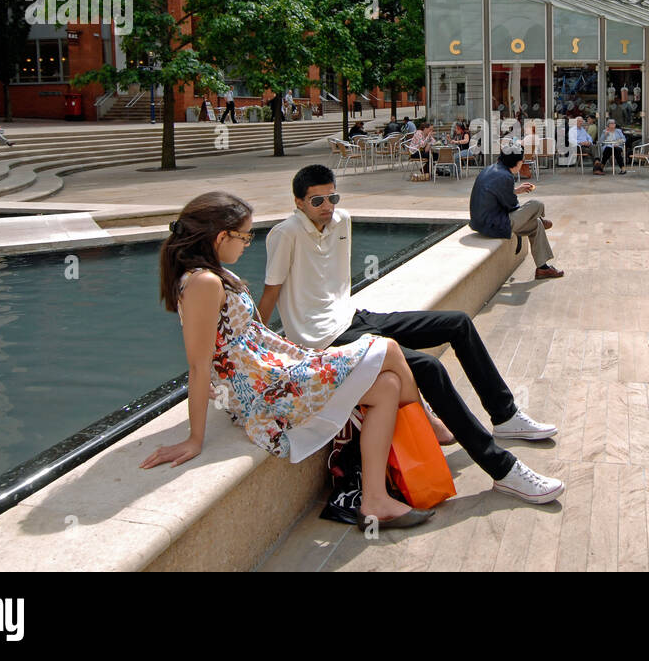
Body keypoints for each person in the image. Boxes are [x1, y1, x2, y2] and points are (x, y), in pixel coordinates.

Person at [257, 166, 563, 505]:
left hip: (353, 318)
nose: (327, 206)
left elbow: (335, 283)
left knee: (458, 322)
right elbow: (272, 293)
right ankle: (503, 470)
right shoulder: (284, 234)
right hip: (324, 340)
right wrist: (261, 352)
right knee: (430, 369)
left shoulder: (341, 221)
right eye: (317, 201)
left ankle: (505, 416)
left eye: (332, 197)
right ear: (298, 202)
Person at [143, 191, 433, 529]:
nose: (247, 244)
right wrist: (195, 439)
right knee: (388, 349)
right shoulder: (204, 282)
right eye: (244, 236)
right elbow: (198, 362)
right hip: (268, 393)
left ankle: (374, 500)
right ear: (222, 236)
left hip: (276, 373)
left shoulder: (212, 273)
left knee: (387, 386)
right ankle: (432, 425)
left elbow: (229, 345)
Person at [470, 149, 564, 281]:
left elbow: (496, 193)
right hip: (494, 225)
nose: (522, 164)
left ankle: (543, 269)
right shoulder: (505, 176)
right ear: (516, 163)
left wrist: (515, 190)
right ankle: (540, 217)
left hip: (481, 222)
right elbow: (512, 207)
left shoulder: (492, 169)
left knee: (535, 225)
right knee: (537, 204)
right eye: (522, 161)